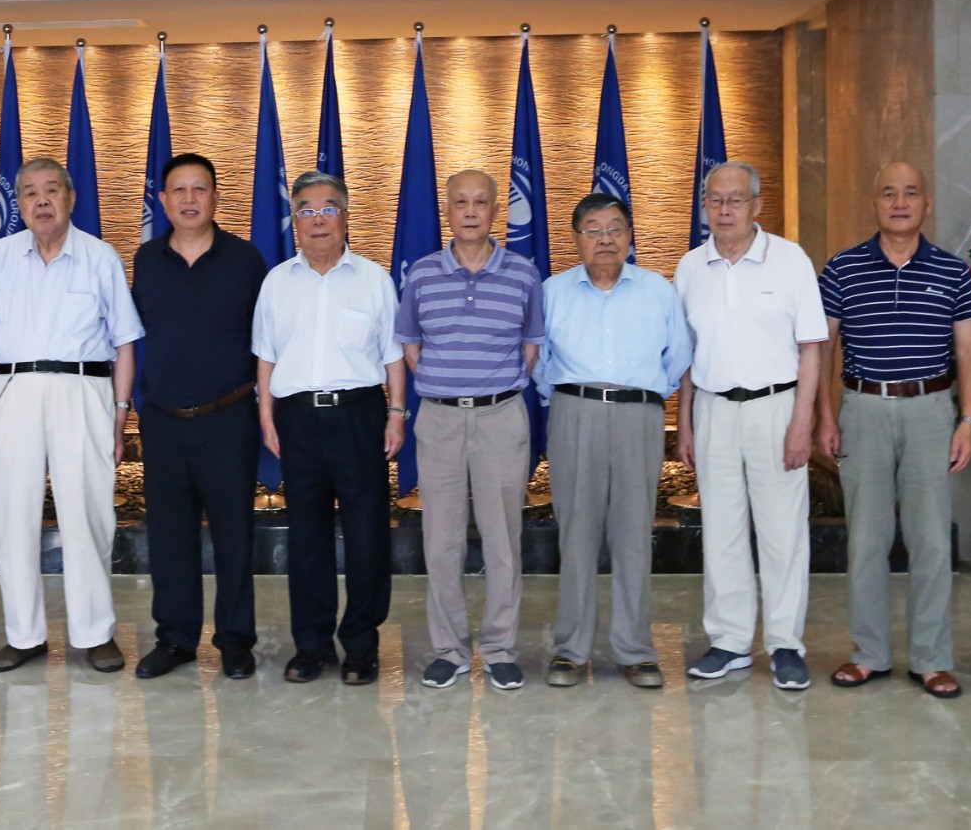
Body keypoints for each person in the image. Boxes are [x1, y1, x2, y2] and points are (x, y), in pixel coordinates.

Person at [815, 162, 971, 699]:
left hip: (931, 411)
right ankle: (869, 653)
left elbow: (969, 351)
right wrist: (825, 416)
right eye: (888, 193)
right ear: (874, 203)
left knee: (931, 540)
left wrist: (967, 421)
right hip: (863, 409)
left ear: (926, 204)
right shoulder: (842, 268)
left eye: (911, 193)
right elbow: (822, 349)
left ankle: (932, 659)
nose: (900, 203)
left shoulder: (953, 271)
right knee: (866, 540)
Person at [0, 157, 143, 674]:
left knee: (88, 514)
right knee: (11, 515)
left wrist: (120, 412)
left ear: (71, 198)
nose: (41, 201)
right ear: (19, 203)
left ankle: (95, 633)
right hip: (12, 392)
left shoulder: (100, 257)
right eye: (29, 192)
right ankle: (23, 635)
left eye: (51, 190)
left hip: (84, 391)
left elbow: (125, 342)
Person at [674, 161, 828, 691]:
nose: (725, 210)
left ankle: (785, 644)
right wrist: (685, 423)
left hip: (776, 407)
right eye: (715, 200)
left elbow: (812, 349)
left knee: (783, 533)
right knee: (722, 531)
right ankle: (730, 640)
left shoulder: (789, 260)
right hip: (713, 409)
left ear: (757, 205)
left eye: (736, 199)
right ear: (705, 206)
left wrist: (802, 420)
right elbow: (686, 356)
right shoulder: (691, 267)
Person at [252, 170, 408, 686]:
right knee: (307, 538)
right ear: (294, 220)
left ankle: (361, 646)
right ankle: (312, 646)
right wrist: (267, 417)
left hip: (359, 415)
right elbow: (266, 357)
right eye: (307, 210)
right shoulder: (277, 282)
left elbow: (392, 355)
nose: (317, 219)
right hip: (297, 418)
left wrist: (397, 413)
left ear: (345, 217)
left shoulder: (373, 279)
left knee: (367, 536)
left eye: (328, 208)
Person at [394, 170, 544, 691]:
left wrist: (489, 389)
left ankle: (500, 649)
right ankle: (450, 651)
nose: (471, 211)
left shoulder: (523, 274)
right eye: (461, 202)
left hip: (501, 417)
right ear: (448, 211)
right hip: (439, 420)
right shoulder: (422, 275)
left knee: (503, 541)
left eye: (481, 202)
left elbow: (531, 346)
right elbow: (410, 345)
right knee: (441, 542)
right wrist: (448, 387)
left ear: (496, 210)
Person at [535, 192, 692, 689]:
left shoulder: (657, 291)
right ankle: (570, 649)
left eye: (615, 229)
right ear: (576, 238)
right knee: (576, 533)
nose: (605, 239)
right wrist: (572, 399)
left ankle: (635, 649)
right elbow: (537, 361)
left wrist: (643, 396)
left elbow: (678, 357)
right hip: (574, 412)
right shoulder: (552, 292)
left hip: (637, 417)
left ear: (629, 236)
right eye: (594, 230)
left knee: (632, 534)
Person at [130, 154, 269, 680]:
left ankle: (235, 640)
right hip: (163, 420)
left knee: (234, 535)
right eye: (179, 190)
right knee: (169, 536)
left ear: (215, 198)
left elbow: (266, 342)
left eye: (200, 189)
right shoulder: (146, 260)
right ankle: (175, 639)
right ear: (163, 200)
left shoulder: (245, 260)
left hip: (227, 418)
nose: (189, 199)